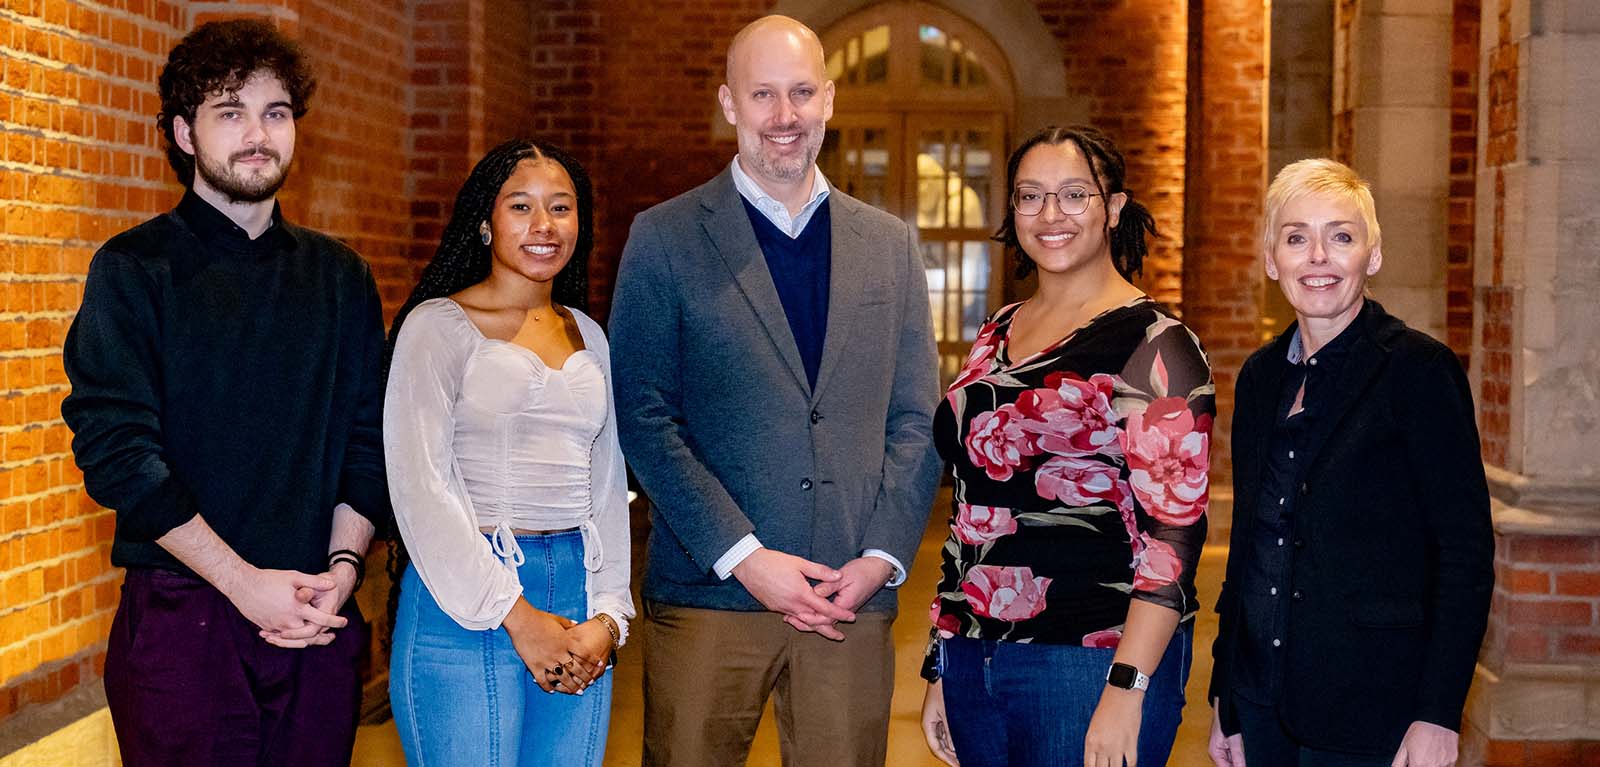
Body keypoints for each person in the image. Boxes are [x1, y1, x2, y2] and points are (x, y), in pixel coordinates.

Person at [608, 14, 942, 767]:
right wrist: (746, 555)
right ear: (730, 104)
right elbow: (644, 413)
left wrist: (881, 557)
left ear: (828, 99)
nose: (784, 117)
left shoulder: (888, 245)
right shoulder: (664, 238)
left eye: (800, 93)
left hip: (846, 600)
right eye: (763, 95)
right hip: (710, 596)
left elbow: (916, 417)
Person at [60, 19, 388, 766]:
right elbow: (120, 458)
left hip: (315, 616)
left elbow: (367, 446)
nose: (257, 135)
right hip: (185, 623)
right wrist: (245, 585)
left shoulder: (341, 278)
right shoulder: (134, 270)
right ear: (183, 132)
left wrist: (341, 574)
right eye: (229, 112)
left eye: (275, 113)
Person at [918, 125, 1212, 767]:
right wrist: (941, 659)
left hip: (1091, 659)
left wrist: (1127, 690)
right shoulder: (995, 331)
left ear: (1112, 209)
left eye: (1074, 195)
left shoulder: (1156, 346)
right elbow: (970, 507)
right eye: (1030, 196)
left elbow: (1174, 540)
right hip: (975, 653)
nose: (1051, 215)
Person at [1207, 158, 1494, 767]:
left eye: (1340, 236)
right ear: (1269, 259)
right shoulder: (1260, 378)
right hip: (1262, 701)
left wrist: (1439, 712)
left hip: (1375, 708)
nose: (1318, 257)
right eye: (1296, 238)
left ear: (1373, 255)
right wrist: (1225, 698)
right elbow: (1250, 549)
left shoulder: (1418, 372)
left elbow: (1464, 554)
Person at [383, 139, 632, 767]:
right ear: (485, 224)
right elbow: (420, 488)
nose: (544, 226)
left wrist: (609, 614)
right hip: (464, 598)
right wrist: (516, 615)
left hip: (577, 590)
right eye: (520, 207)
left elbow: (607, 482)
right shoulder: (437, 326)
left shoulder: (589, 334)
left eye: (561, 208)